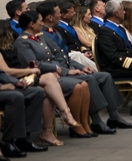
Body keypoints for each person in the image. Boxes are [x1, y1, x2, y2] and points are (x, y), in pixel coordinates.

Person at [18, 5, 132, 136]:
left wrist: (81, 67)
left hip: (66, 69)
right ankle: (95, 120)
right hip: (57, 74)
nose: (60, 15)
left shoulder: (54, 32)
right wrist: (65, 71)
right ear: (49, 17)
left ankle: (114, 116)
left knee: (104, 76)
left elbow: (65, 57)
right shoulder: (40, 36)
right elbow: (45, 62)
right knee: (89, 79)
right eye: (58, 13)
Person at [12, 12, 92, 140]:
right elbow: (32, 64)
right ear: (32, 24)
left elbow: (52, 58)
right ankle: (74, 125)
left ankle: (83, 123)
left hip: (53, 74)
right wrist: (54, 69)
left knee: (84, 85)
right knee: (77, 87)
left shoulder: (39, 38)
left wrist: (59, 70)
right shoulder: (22, 42)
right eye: (39, 21)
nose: (42, 23)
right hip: (40, 77)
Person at [0, 21, 48, 155]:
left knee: (36, 92)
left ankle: (24, 137)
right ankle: (9, 140)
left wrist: (15, 82)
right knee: (15, 96)